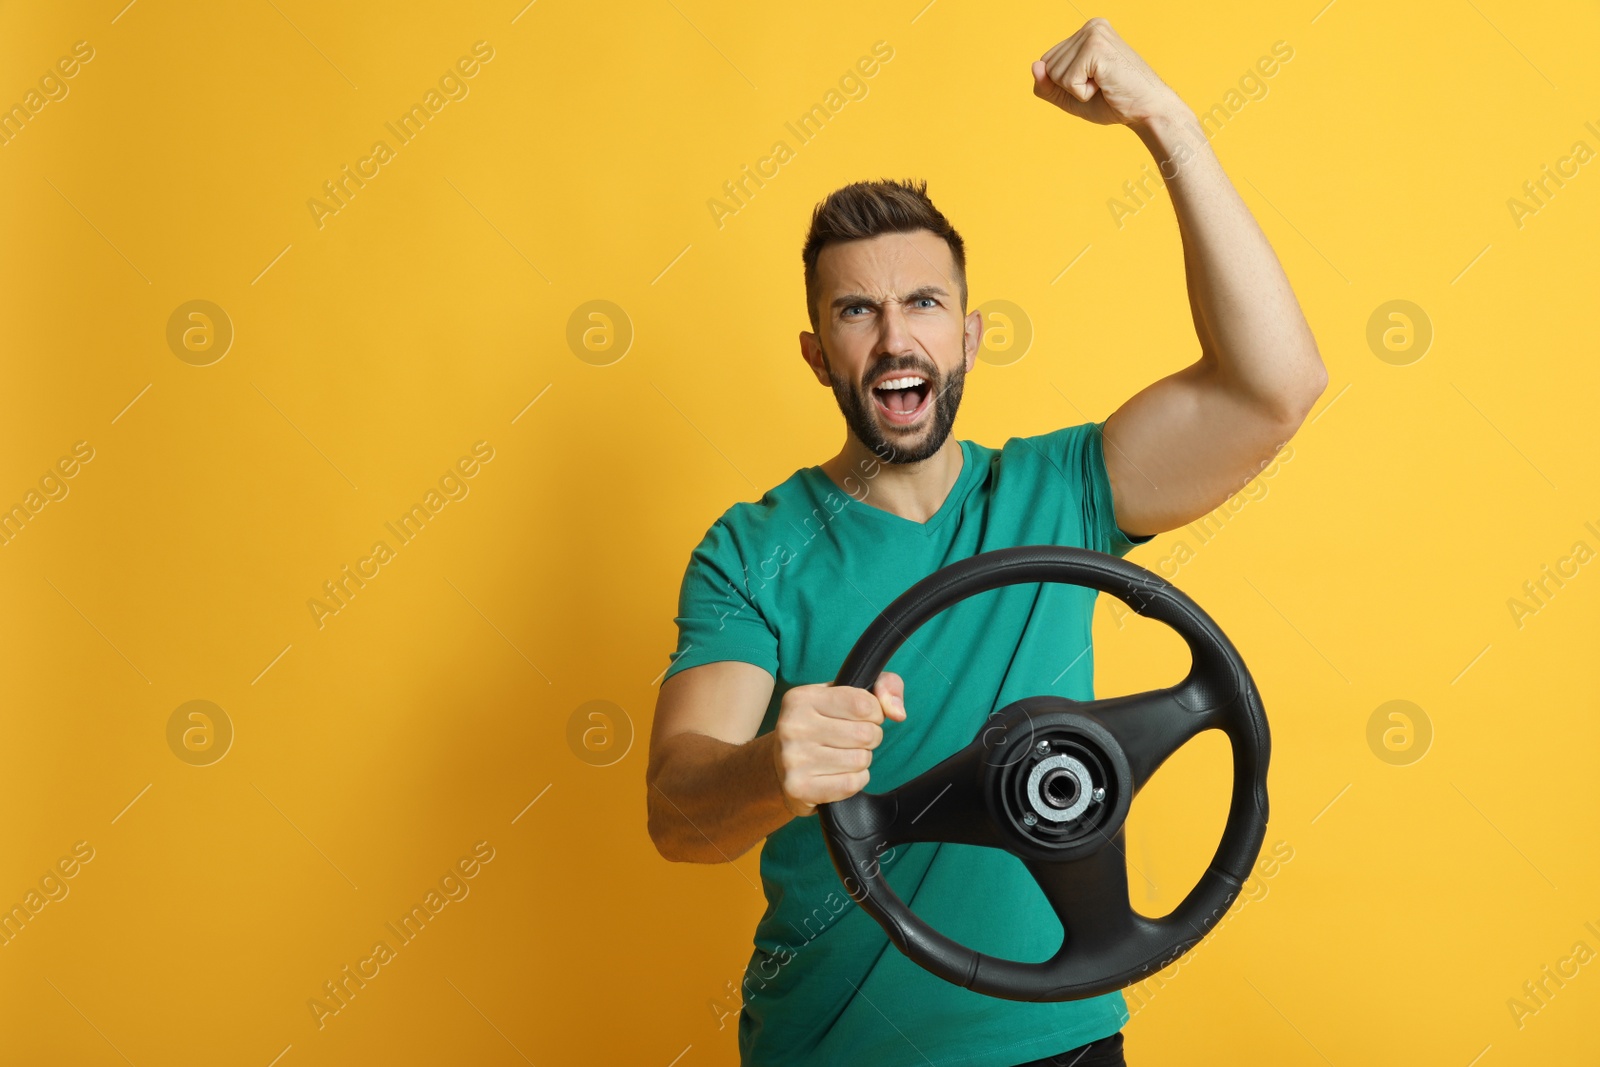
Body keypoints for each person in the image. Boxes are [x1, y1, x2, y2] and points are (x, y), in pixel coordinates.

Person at [646, 18, 1326, 1067]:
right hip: (829, 1049)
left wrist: (1166, 121)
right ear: (817, 354)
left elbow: (1273, 386)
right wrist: (772, 768)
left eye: (922, 303)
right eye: (855, 312)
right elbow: (680, 810)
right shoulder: (754, 549)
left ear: (967, 334)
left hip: (1060, 1040)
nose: (892, 337)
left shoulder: (1061, 489)